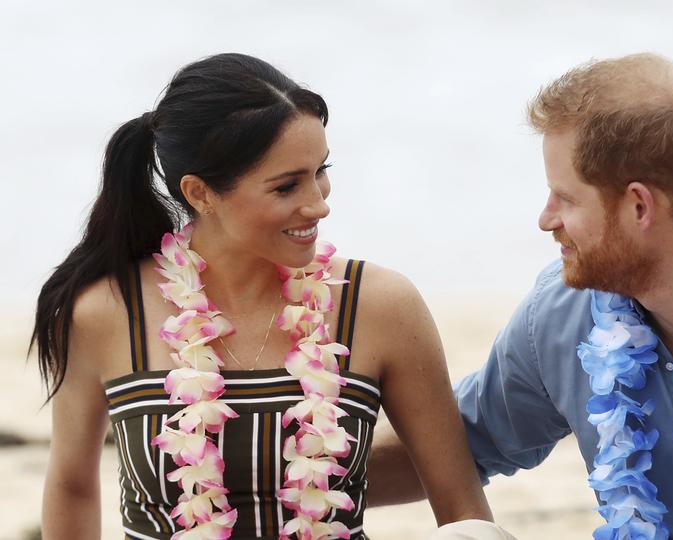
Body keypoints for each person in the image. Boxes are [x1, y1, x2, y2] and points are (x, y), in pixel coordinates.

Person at [31, 53, 501, 540]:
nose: (319, 203)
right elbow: (72, 484)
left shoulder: (380, 306)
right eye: (286, 186)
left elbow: (463, 510)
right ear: (200, 193)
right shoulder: (106, 311)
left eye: (320, 170)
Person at [368, 53, 673, 539]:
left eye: (566, 198)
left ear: (639, 206)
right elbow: (457, 444)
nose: (546, 219)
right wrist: (291, 481)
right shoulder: (564, 315)